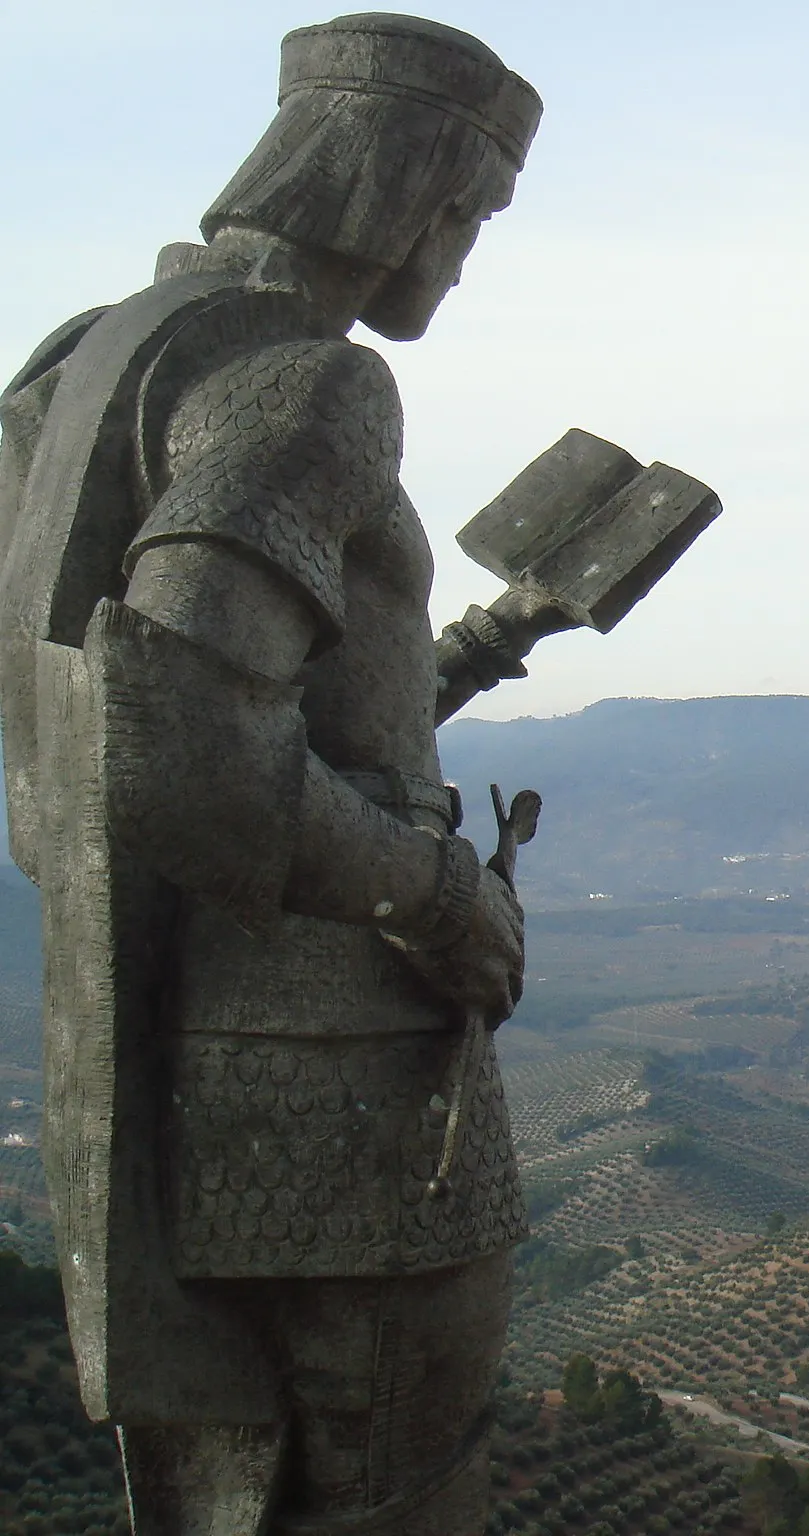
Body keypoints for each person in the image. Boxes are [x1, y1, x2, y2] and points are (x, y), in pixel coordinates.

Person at [0, 14, 564, 1532]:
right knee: (396, 1496)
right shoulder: (308, 384)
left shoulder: (87, 366)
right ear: (398, 190)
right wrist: (444, 894)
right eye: (470, 212)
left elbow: (171, 708)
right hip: (341, 1105)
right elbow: (179, 750)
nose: (460, 252)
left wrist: (487, 644)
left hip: (176, 1077)